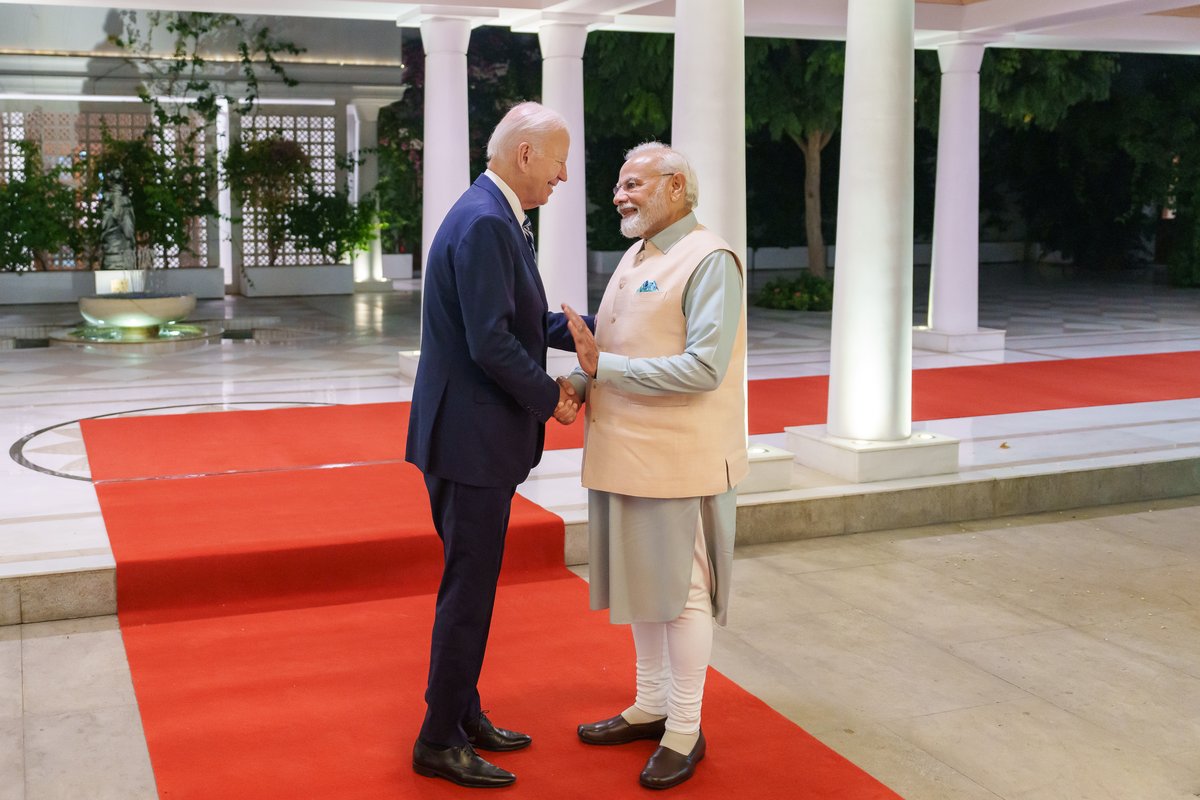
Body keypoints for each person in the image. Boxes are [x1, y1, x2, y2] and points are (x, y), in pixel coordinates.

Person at [404, 101, 591, 789]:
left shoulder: (489, 212)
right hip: (470, 441)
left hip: (464, 435)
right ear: (524, 155)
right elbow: (491, 342)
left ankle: (461, 712)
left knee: (469, 587)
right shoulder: (487, 222)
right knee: (469, 594)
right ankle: (437, 739)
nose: (565, 175)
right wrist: (555, 401)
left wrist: (600, 326)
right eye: (559, 159)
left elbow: (518, 318)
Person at [561, 142, 747, 790]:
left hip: (680, 460)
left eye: (633, 183)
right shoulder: (638, 257)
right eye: (619, 184)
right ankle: (650, 706)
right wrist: (581, 385)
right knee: (644, 588)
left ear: (675, 187)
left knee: (683, 597)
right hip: (624, 454)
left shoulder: (710, 260)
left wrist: (601, 370)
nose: (620, 194)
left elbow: (704, 367)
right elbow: (610, 346)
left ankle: (686, 729)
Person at [99, 175, 136, 271]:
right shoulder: (108, 199)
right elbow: (106, 221)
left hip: (123, 241)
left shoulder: (125, 200)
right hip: (112, 240)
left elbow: (129, 221)